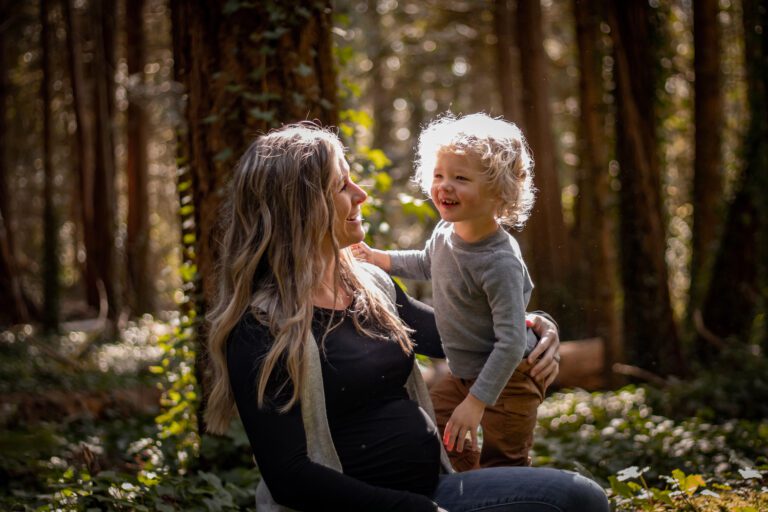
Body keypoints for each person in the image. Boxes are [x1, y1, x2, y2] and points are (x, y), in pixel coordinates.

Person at [204, 122, 609, 512]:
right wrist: (413, 509)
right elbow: (290, 477)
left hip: (438, 489)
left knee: (581, 498)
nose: (360, 195)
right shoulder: (262, 328)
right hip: (377, 508)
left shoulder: (370, 286)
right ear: (302, 207)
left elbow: (457, 334)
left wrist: (535, 327)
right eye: (341, 186)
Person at [353, 113, 542, 471]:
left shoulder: (498, 262)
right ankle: (465, 491)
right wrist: (378, 258)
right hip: (463, 373)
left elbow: (511, 342)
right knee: (439, 435)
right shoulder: (445, 233)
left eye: (460, 178)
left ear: (498, 191)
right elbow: (427, 262)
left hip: (511, 378)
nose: (444, 186)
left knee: (505, 464)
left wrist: (476, 401)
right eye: (439, 175)